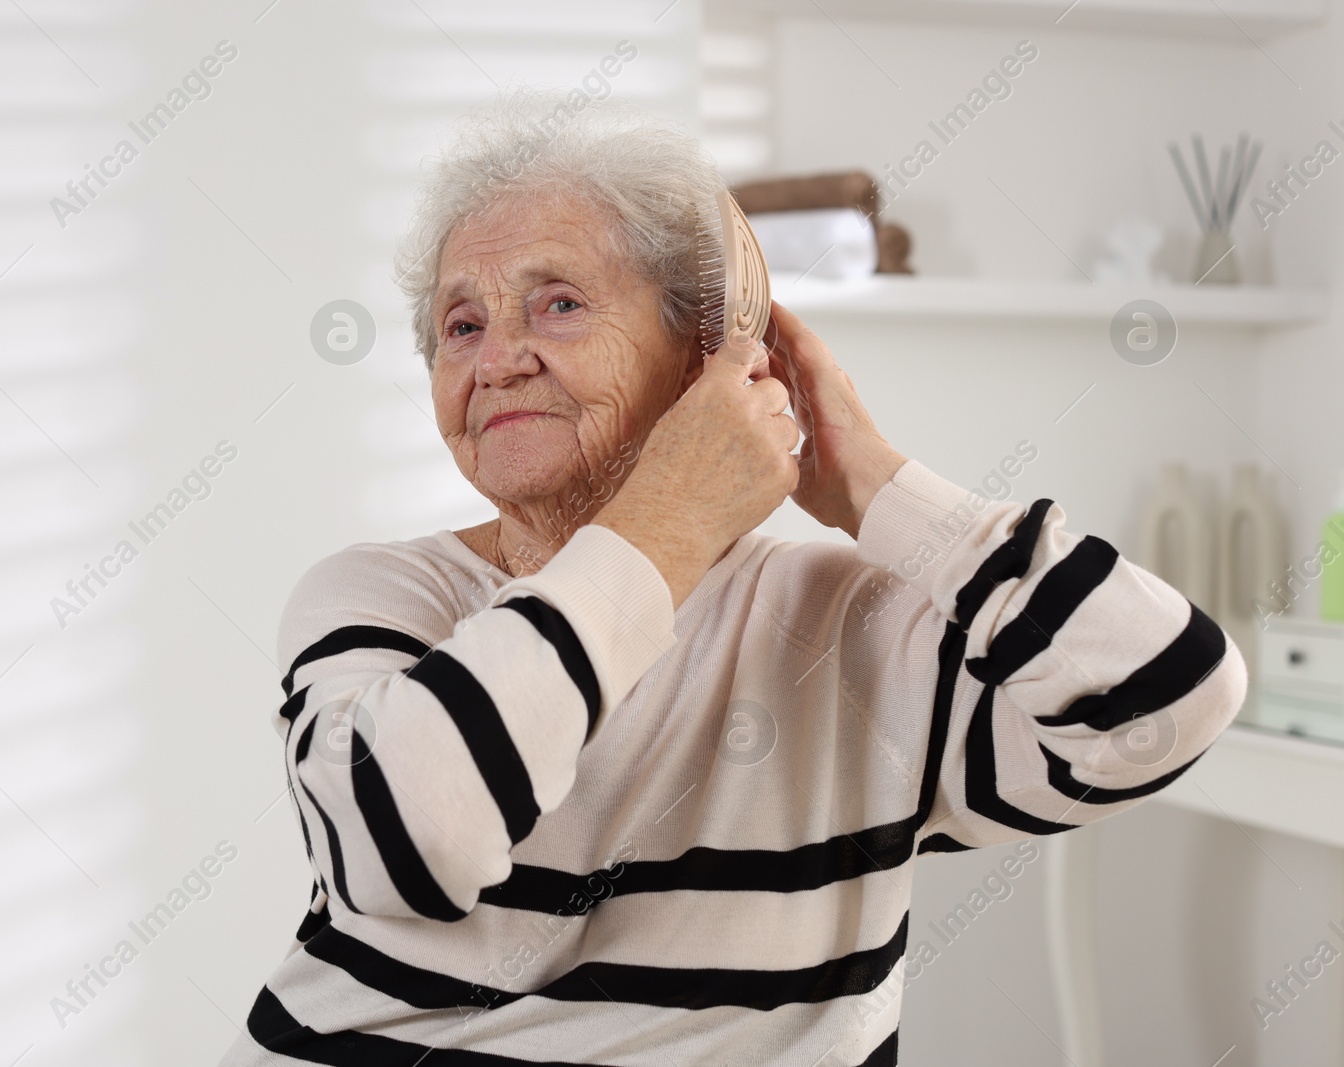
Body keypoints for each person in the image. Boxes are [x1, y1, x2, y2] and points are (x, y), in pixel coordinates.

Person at [219, 92, 1245, 1067]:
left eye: (559, 302)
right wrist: (664, 520)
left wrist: (871, 485)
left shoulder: (847, 626)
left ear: (708, 357)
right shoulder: (381, 595)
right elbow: (403, 844)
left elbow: (1165, 700)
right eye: (460, 325)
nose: (498, 359)